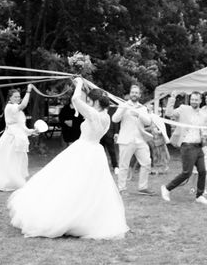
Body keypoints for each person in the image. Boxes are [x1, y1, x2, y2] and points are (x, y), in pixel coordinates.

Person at [8, 78, 128, 239]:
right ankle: (85, 218)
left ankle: (66, 218)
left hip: (84, 149)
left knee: (69, 181)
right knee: (89, 187)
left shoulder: (93, 114)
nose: (89, 103)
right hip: (95, 152)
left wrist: (78, 84)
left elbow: (75, 99)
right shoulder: (105, 116)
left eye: (91, 100)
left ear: (95, 102)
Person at [0, 85, 36, 191]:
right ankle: (5, 182)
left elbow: (22, 127)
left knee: (17, 161)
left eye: (19, 97)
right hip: (10, 138)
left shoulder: (18, 110)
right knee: (9, 160)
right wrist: (28, 91)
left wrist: (32, 131)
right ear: (10, 98)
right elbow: (23, 105)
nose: (18, 98)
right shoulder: (10, 107)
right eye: (15, 97)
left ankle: (15, 182)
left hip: (19, 138)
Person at [160, 91, 207, 204]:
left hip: (199, 146)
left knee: (202, 171)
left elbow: (205, 129)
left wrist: (206, 136)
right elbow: (169, 113)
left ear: (200, 101)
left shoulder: (203, 114)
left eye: (196, 100)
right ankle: (167, 188)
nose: (194, 101)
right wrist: (172, 98)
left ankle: (199, 195)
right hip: (187, 146)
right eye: (192, 99)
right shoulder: (183, 109)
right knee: (187, 173)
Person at [112, 84, 154, 195]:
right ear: (130, 94)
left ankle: (143, 187)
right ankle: (122, 188)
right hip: (126, 140)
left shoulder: (143, 108)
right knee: (124, 165)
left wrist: (138, 115)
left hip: (140, 140)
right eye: (132, 92)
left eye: (136, 93)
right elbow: (115, 119)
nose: (134, 94)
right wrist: (123, 109)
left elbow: (148, 122)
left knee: (146, 162)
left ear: (139, 95)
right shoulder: (123, 105)